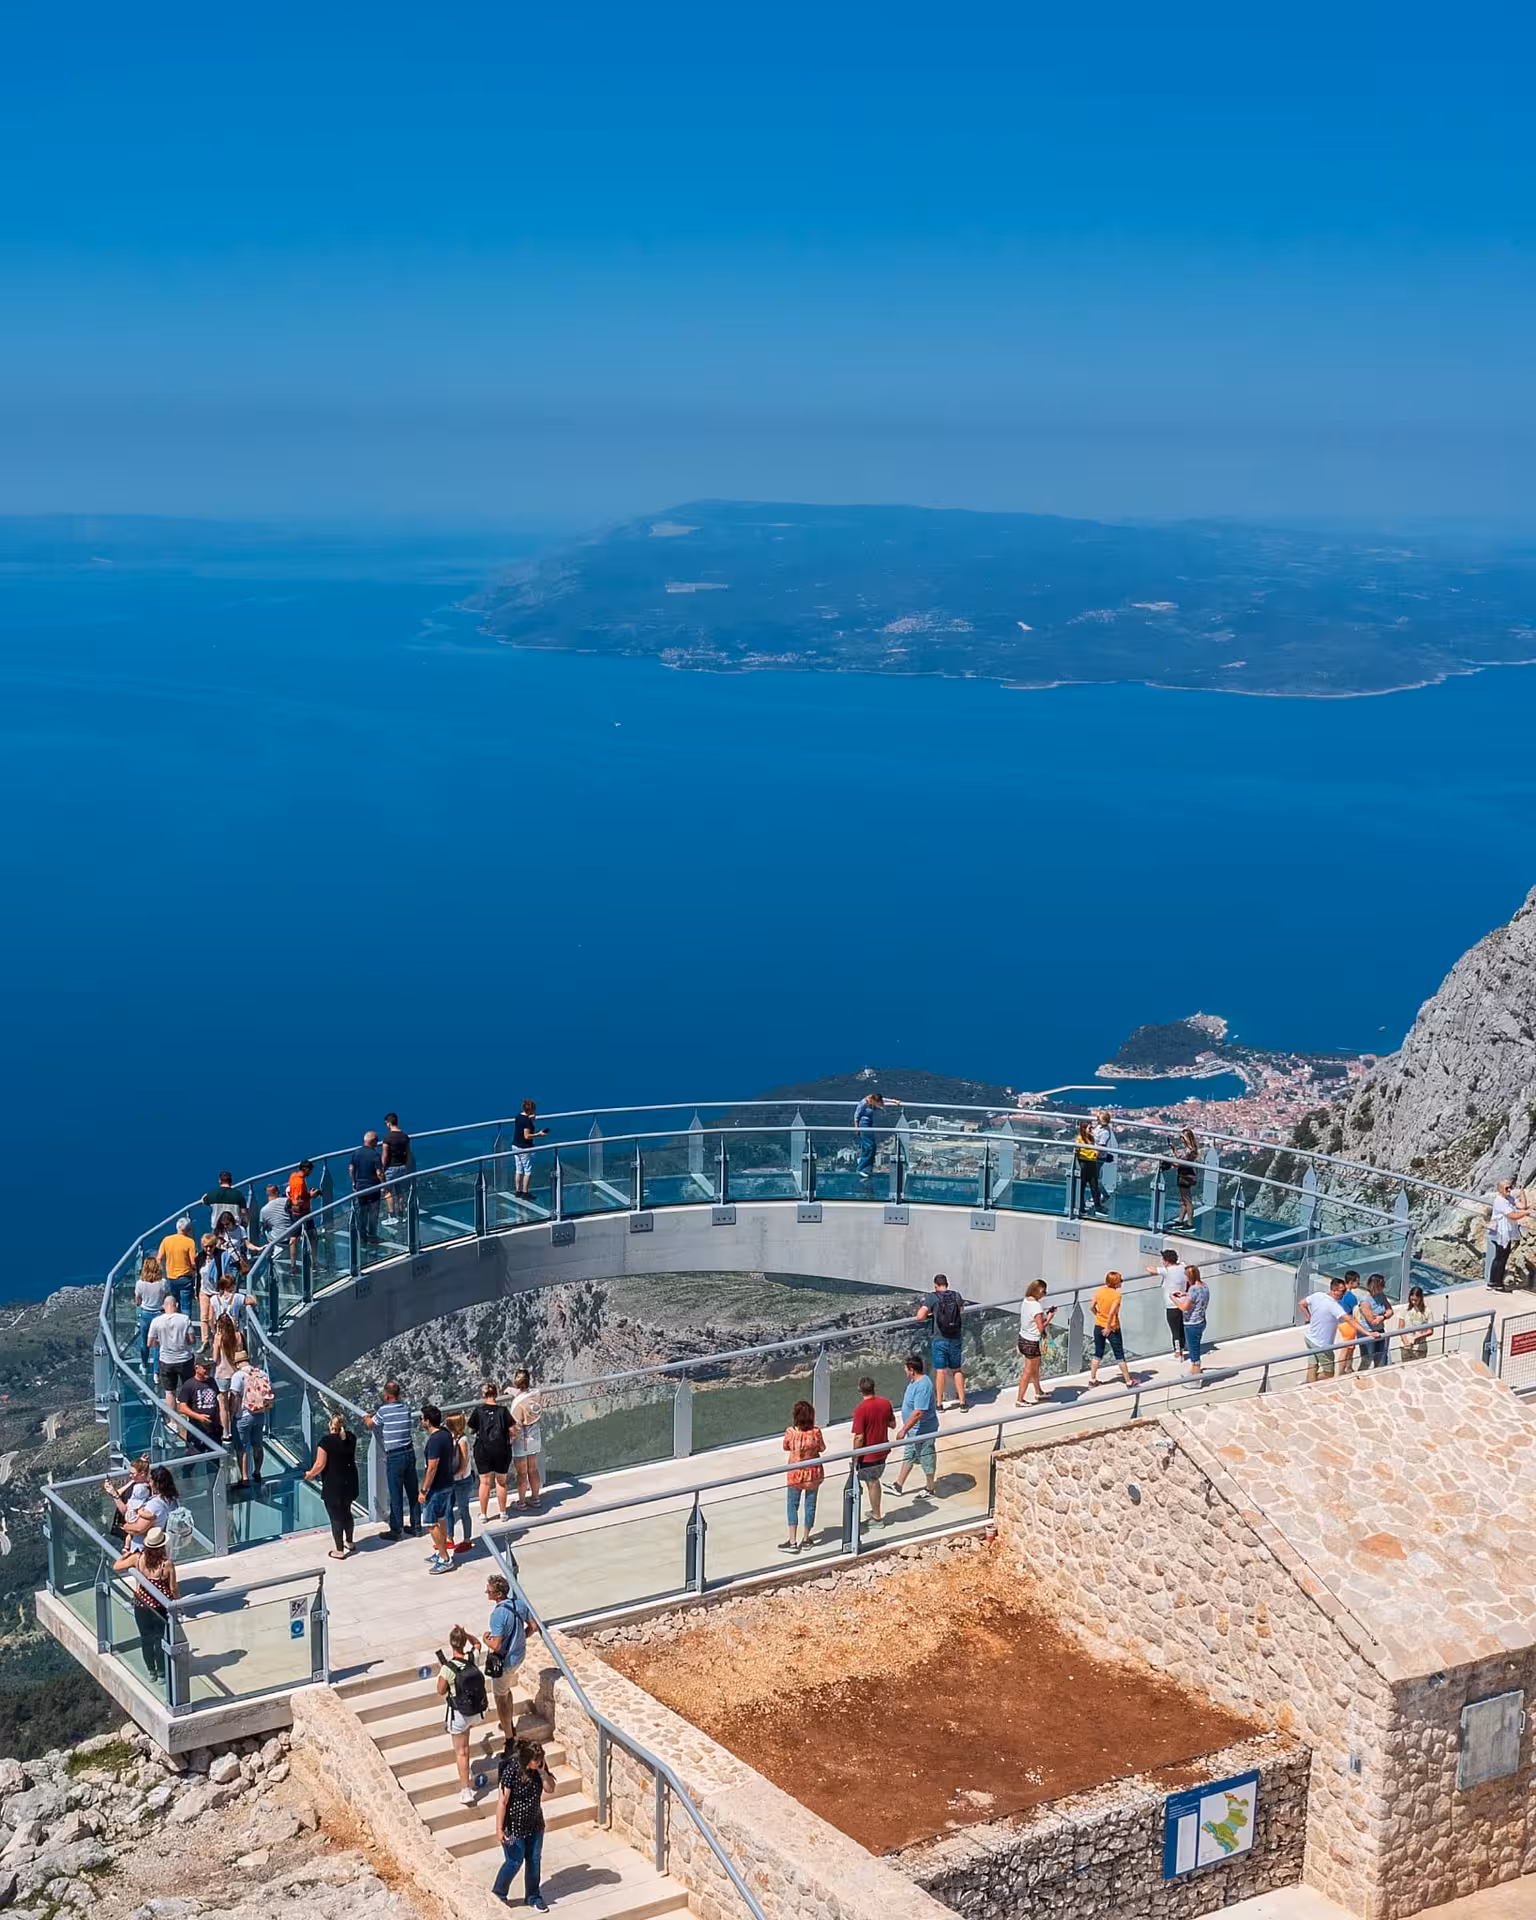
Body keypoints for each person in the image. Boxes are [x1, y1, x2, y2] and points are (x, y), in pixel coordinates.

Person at [113, 1527, 178, 1684]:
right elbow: (173, 1588)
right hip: (160, 1607)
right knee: (159, 1638)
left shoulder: (138, 1558)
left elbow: (116, 1566)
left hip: (140, 1604)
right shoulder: (166, 1565)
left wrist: (126, 1552)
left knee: (145, 1638)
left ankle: (151, 1671)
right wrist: (178, 1603)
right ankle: (162, 1673)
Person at [493, 1738, 549, 1911]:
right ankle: (498, 1894)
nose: (538, 1762)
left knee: (534, 1860)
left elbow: (550, 1788)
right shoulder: (511, 1771)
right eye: (535, 1760)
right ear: (526, 1759)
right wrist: (499, 1828)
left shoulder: (539, 1769)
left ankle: (533, 1896)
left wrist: (543, 1772)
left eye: (540, 1759)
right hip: (514, 1828)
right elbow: (503, 1801)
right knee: (514, 1862)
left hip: (535, 1825)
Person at [436, 1623, 488, 1806]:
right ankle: (467, 1773)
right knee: (466, 1739)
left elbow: (440, 1690)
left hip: (459, 1715)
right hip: (475, 1712)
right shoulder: (472, 1658)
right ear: (464, 1642)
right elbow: (478, 1644)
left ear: (451, 1644)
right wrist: (468, 1634)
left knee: (462, 1752)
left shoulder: (448, 1668)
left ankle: (466, 1790)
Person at [484, 1572, 536, 1739]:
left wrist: (486, 1639)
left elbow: (496, 1645)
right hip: (519, 1655)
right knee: (506, 1690)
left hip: (505, 1661)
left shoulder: (497, 1615)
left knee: (500, 1698)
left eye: (489, 1591)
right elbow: (533, 1626)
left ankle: (508, 1734)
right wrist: (521, 1638)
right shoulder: (519, 1604)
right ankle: (508, 1722)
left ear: (498, 1594)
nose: (487, 1593)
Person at [367, 1381, 421, 1540]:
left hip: (394, 1455)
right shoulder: (406, 1409)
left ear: (387, 1395)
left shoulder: (383, 1411)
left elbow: (371, 1424)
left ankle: (396, 1530)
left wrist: (366, 1417)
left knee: (395, 1493)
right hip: (409, 1453)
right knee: (412, 1492)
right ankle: (417, 1527)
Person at [304, 1410, 359, 1558]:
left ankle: (339, 1550)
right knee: (347, 1512)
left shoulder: (326, 1442)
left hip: (334, 1484)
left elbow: (320, 1464)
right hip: (350, 1481)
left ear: (330, 1425)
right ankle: (350, 1542)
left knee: (336, 1517)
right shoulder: (351, 1438)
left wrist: (310, 1474)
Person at [886, 1354, 939, 1500]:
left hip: (923, 1431)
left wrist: (904, 1430)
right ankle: (898, 1485)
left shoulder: (923, 1386)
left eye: (905, 1369)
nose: (905, 1371)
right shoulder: (914, 1382)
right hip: (914, 1431)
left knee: (926, 1458)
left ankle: (930, 1488)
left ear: (912, 1370)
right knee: (909, 1455)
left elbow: (918, 1413)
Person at [779, 1399, 826, 1554]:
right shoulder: (816, 1432)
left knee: (792, 1505)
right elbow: (822, 1448)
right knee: (810, 1505)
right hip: (813, 1473)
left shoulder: (791, 1432)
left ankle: (792, 1541)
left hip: (795, 1473)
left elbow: (786, 1447)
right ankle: (806, 1539)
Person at [915, 1273, 967, 1411]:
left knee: (941, 1371)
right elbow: (961, 1310)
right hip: (955, 1338)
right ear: (947, 1284)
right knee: (957, 1370)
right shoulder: (956, 1295)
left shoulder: (933, 1297)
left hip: (940, 1339)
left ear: (935, 1285)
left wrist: (933, 1314)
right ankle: (962, 1402)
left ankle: (939, 1404)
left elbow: (920, 1316)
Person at [849, 1375, 896, 1525]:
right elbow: (893, 1424)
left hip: (868, 1455)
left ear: (859, 1390)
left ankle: (877, 1517)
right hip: (882, 1449)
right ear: (874, 1387)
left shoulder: (860, 1410)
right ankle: (875, 1510)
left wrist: (854, 1455)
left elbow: (859, 1437)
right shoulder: (885, 1403)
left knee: (872, 1482)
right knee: (873, 1480)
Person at [469, 1382, 514, 1524]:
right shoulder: (503, 1411)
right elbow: (513, 1430)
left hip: (483, 1450)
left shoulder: (478, 1411)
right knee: (501, 1482)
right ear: (496, 1393)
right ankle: (503, 1513)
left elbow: (471, 1429)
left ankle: (483, 1514)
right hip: (501, 1449)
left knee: (485, 1482)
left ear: (483, 1395)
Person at [228, 1347, 273, 1485]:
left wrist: (232, 1415)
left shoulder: (238, 1376)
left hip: (243, 1416)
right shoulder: (262, 1373)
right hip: (259, 1415)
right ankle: (258, 1472)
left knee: (242, 1448)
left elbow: (235, 1397)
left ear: (237, 1363)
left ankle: (245, 1478)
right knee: (258, 1445)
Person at [422, 1404, 458, 1574]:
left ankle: (444, 1558)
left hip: (436, 1487)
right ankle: (440, 1552)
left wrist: (424, 1490)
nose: (421, 1421)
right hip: (448, 1482)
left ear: (427, 1421)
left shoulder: (434, 1440)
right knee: (441, 1519)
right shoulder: (445, 1434)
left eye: (422, 1418)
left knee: (430, 1523)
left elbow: (432, 1467)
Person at [147, 1289, 196, 1411]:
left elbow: (150, 1343)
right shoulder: (185, 1319)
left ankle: (173, 1420)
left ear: (163, 1306)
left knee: (170, 1392)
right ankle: (190, 1416)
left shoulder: (156, 1321)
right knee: (189, 1388)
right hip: (185, 1359)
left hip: (166, 1361)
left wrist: (161, 1341)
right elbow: (192, 1340)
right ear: (177, 1305)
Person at [1087, 1271, 1133, 1389]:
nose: (1121, 1282)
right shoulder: (1116, 1295)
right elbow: (1112, 1312)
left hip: (1098, 1325)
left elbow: (1091, 1306)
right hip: (1112, 1327)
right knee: (1119, 1354)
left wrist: (1098, 1316)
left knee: (1098, 1353)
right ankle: (1128, 1381)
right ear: (1116, 1283)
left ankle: (1092, 1379)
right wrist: (1108, 1327)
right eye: (1120, 1280)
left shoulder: (1100, 1291)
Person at [1300, 1275, 1350, 1382]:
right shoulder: (1333, 1305)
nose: (1344, 1293)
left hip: (1310, 1338)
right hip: (1321, 1344)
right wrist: (1368, 1333)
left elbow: (1302, 1303)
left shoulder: (1318, 1296)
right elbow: (1349, 1320)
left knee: (1312, 1365)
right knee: (1329, 1373)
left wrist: (1310, 1318)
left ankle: (1308, 1384)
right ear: (1334, 1290)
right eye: (1342, 1291)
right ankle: (1309, 1382)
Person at [1016, 1280, 1055, 1406]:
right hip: (1032, 1342)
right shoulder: (1036, 1306)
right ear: (1038, 1291)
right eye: (1044, 1291)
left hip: (1023, 1338)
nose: (1045, 1294)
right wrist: (1049, 1318)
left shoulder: (1026, 1300)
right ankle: (1019, 1399)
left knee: (1035, 1369)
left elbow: (1031, 1321)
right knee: (1028, 1371)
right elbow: (1041, 1327)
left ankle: (1039, 1392)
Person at [510, 1368, 544, 1512]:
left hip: (522, 1439)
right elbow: (526, 1397)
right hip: (535, 1435)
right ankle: (536, 1498)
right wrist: (517, 1392)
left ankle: (522, 1502)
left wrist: (510, 1438)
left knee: (522, 1473)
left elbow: (516, 1425)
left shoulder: (517, 1404)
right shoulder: (536, 1394)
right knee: (533, 1469)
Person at [1487, 1180, 1529, 1292]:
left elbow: (1522, 1206)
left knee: (1501, 1257)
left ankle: (1494, 1282)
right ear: (1500, 1189)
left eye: (1510, 1187)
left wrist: (1521, 1191)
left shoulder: (1509, 1198)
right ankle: (1497, 1284)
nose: (1509, 1190)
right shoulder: (1500, 1201)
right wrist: (1526, 1213)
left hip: (1506, 1233)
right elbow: (1513, 1216)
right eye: (1506, 1188)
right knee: (1500, 1258)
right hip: (1500, 1233)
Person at [1173, 1264, 1210, 1387]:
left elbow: (1184, 1308)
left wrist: (1173, 1299)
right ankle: (1192, 1372)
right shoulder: (1204, 1286)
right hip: (1201, 1321)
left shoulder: (1193, 1289)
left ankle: (1196, 1381)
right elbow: (1196, 1300)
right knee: (1195, 1346)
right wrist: (1184, 1295)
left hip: (1192, 1324)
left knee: (1194, 1353)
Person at [177, 1357, 222, 1453]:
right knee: (193, 1456)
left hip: (213, 1429)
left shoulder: (212, 1382)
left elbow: (217, 1400)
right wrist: (198, 1417)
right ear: (196, 1368)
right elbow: (182, 1408)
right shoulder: (189, 1384)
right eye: (205, 1368)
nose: (208, 1370)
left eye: (209, 1368)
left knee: (214, 1460)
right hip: (197, 1429)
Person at [853, 1091, 900, 1181]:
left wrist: (894, 1101)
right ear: (873, 1101)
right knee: (870, 1146)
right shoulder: (863, 1103)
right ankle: (861, 1169)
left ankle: (867, 1169)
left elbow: (884, 1100)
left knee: (870, 1147)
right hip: (863, 1124)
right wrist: (856, 1128)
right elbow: (856, 1116)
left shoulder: (873, 1099)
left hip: (869, 1123)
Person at [123, 1464, 177, 1543]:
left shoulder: (154, 1504)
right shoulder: (172, 1500)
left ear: (155, 1483)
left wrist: (125, 1526)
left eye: (151, 1480)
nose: (149, 1483)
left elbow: (139, 1528)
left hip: (146, 1546)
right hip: (164, 1542)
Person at [349, 1130, 385, 1247]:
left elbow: (351, 1168)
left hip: (360, 1187)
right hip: (373, 1188)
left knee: (362, 1212)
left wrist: (354, 1182)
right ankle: (372, 1236)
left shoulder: (356, 1152)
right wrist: (384, 1185)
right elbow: (379, 1172)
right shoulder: (375, 1155)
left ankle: (362, 1236)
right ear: (373, 1142)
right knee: (373, 1213)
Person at [104, 1455, 152, 1540]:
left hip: (131, 1529)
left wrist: (114, 1495)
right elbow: (120, 1491)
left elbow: (125, 1511)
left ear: (142, 1474)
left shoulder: (140, 1490)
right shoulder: (140, 1484)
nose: (130, 1476)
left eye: (133, 1474)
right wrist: (141, 1464)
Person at [447, 1412, 475, 1555]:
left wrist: (451, 1477)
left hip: (462, 1481)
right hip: (454, 1479)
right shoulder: (452, 1438)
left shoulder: (462, 1441)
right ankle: (449, 1537)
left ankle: (467, 1540)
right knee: (448, 1509)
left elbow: (463, 1465)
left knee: (463, 1510)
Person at [211, 1311, 242, 1439]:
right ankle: (236, 1430)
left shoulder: (218, 1337)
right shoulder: (238, 1336)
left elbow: (215, 1358)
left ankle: (226, 1433)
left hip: (222, 1373)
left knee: (223, 1406)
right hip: (235, 1373)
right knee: (235, 1403)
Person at [134, 1254, 167, 1371]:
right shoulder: (162, 1283)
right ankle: (156, 1370)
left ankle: (144, 1364)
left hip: (145, 1314)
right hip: (159, 1314)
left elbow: (138, 1302)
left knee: (144, 1342)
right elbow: (166, 1297)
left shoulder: (140, 1284)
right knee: (158, 1343)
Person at [156, 1217, 199, 1308]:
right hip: (185, 1278)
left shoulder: (166, 1240)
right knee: (186, 1306)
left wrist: (162, 1273)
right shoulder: (190, 1242)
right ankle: (185, 1322)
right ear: (188, 1229)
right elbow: (193, 1263)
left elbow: (159, 1258)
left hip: (171, 1278)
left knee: (174, 1304)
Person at [1152, 1247, 1186, 1358]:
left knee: (1175, 1330)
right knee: (1181, 1327)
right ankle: (1182, 1347)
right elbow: (1182, 1264)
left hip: (1172, 1305)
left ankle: (1177, 1353)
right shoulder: (1182, 1266)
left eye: (1163, 1260)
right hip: (1183, 1303)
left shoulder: (1166, 1271)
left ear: (1166, 1261)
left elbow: (1150, 1269)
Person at [512, 1100, 549, 1200]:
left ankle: (517, 1191)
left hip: (515, 1145)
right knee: (527, 1170)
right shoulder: (527, 1121)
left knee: (518, 1168)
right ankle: (525, 1192)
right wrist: (539, 1134)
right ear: (531, 1109)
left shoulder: (518, 1117)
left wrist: (529, 1117)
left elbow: (522, 1122)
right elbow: (527, 1136)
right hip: (524, 1148)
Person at [1355, 1274, 1394, 1370]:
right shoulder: (1365, 1301)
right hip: (1368, 1333)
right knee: (1367, 1359)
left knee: (1381, 1358)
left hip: (1380, 1330)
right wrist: (1382, 1316)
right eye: (1381, 1285)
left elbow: (1390, 1311)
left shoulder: (1381, 1296)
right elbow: (1372, 1321)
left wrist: (1382, 1317)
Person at [286, 1161, 319, 1265]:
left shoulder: (293, 1176)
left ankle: (293, 1265)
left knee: (294, 1236)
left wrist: (307, 1193)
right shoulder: (300, 1182)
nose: (311, 1173)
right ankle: (314, 1262)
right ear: (307, 1170)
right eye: (310, 1170)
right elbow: (298, 1201)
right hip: (302, 1212)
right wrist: (311, 1196)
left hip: (293, 1211)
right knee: (312, 1235)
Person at [382, 1113, 413, 1224]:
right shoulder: (404, 1136)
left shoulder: (387, 1138)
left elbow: (385, 1155)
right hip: (403, 1167)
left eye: (386, 1123)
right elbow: (408, 1153)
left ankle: (392, 1216)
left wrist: (382, 1168)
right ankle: (401, 1215)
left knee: (387, 1191)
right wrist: (407, 1165)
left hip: (390, 1168)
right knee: (401, 1192)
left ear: (389, 1123)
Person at [258, 1182, 296, 1274]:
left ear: (267, 1194)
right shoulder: (287, 1201)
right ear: (277, 1192)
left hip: (279, 1242)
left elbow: (262, 1227)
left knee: (264, 1230)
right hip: (294, 1238)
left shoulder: (264, 1210)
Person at [200, 1173, 249, 1240]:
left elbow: (203, 1200)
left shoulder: (212, 1195)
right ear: (231, 1181)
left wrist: (206, 1195)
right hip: (234, 1229)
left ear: (219, 1181)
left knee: (217, 1248)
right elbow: (244, 1212)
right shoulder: (238, 1195)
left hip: (217, 1230)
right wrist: (245, 1223)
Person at [1334, 1270, 1362, 1375]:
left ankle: (1348, 1368)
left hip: (1339, 1322)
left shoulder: (1339, 1293)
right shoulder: (1351, 1297)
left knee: (1349, 1348)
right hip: (1348, 1324)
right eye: (1357, 1282)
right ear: (1351, 1282)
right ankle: (1342, 1371)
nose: (1358, 1285)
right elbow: (1355, 1313)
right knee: (1346, 1349)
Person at [1074, 1120, 1105, 1214]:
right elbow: (1076, 1150)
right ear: (1084, 1129)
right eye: (1089, 1128)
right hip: (1083, 1163)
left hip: (1092, 1163)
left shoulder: (1092, 1138)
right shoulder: (1079, 1139)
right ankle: (1081, 1206)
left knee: (1094, 1186)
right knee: (1082, 1186)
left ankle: (1098, 1206)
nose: (1092, 1129)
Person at [1173, 1128, 1200, 1229]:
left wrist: (1171, 1162)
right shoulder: (1191, 1150)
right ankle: (1180, 1220)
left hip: (1185, 1176)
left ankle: (1190, 1223)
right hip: (1184, 1175)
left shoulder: (1189, 1151)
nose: (1180, 1139)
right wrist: (1174, 1150)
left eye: (1182, 1137)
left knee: (1187, 1200)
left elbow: (1179, 1163)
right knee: (1184, 1199)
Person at [1092, 1109, 1119, 1210]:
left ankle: (1103, 1195)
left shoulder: (1105, 1132)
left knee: (1094, 1178)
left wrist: (1094, 1156)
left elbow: (1101, 1146)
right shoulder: (1100, 1127)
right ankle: (1098, 1195)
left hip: (1098, 1157)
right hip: (1095, 1155)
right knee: (1094, 1177)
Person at [1401, 1284, 1432, 1361]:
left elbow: (1430, 1330)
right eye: (1412, 1300)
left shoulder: (1427, 1311)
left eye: (1416, 1300)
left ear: (1420, 1298)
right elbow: (1400, 1328)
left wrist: (1419, 1337)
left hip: (1420, 1348)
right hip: (1406, 1347)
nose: (1414, 1302)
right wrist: (1405, 1341)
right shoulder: (1404, 1309)